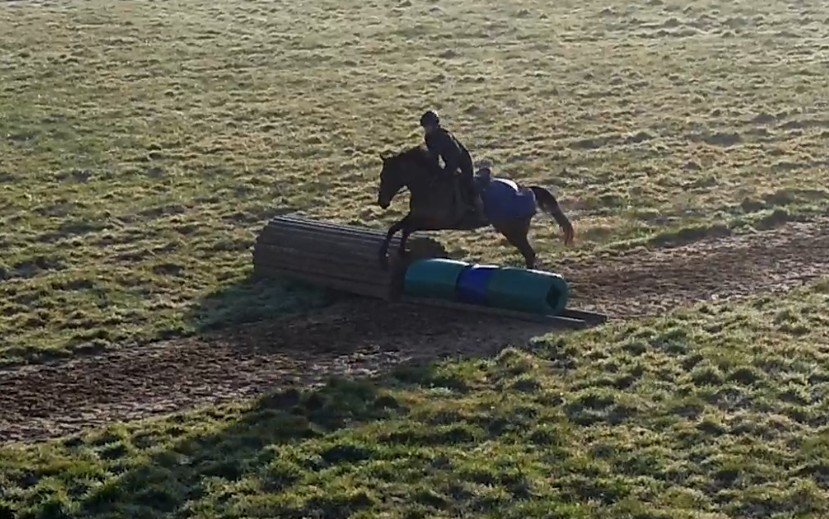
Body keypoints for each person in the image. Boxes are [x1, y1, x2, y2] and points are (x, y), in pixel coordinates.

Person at [419, 110, 484, 219]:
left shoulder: (445, 137)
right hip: (449, 162)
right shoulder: (429, 138)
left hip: (462, 163)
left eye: (428, 126)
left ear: (435, 125)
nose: (426, 129)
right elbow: (434, 156)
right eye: (425, 127)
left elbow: (456, 155)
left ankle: (479, 211)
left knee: (466, 184)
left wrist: (449, 171)